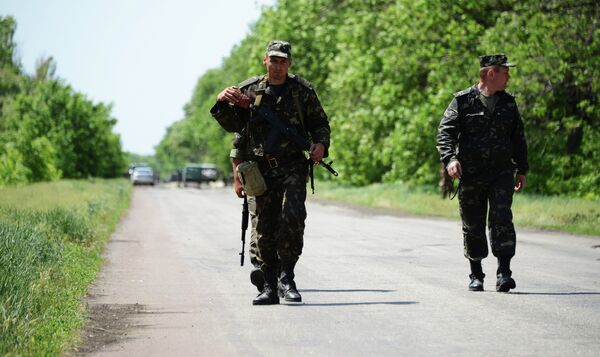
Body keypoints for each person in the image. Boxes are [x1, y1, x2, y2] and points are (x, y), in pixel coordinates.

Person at [210, 40, 331, 305]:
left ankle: (287, 277)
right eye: (273, 60)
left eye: (283, 61)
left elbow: (320, 123)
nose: (278, 66)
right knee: (263, 226)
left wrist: (321, 144)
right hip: (260, 168)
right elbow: (236, 129)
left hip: (292, 166)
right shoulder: (250, 89)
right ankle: (268, 284)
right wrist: (221, 102)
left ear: (289, 63)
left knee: (292, 216)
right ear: (265, 60)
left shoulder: (302, 91)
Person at [436, 54, 528, 292]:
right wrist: (450, 159)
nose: (508, 76)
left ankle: (504, 273)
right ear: (490, 73)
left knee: (501, 219)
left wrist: (522, 169)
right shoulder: (463, 101)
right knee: (473, 223)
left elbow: (518, 138)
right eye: (505, 72)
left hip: (501, 173)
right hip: (472, 174)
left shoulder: (508, 103)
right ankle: (476, 274)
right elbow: (445, 134)